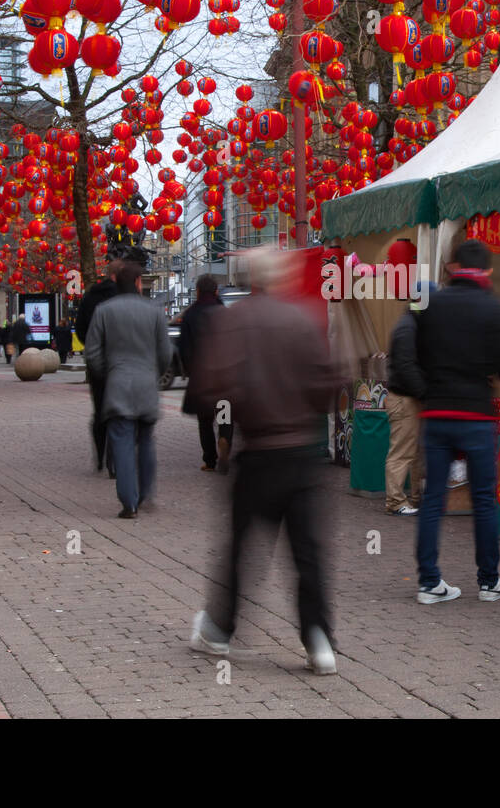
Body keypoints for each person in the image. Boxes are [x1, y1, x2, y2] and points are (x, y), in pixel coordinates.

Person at [189, 249, 340, 675]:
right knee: (307, 550)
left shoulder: (233, 321)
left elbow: (214, 388)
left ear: (249, 279)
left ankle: (219, 629)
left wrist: (226, 430)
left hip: (259, 453)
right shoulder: (305, 317)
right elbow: (326, 385)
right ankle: (318, 638)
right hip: (303, 454)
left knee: (241, 547)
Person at [408, 239, 500, 605]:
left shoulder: (431, 305)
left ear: (454, 268)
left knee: (433, 499)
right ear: (487, 270)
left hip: (437, 413)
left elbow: (419, 355)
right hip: (475, 414)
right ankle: (489, 582)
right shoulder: (493, 308)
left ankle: (429, 582)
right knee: (484, 499)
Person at [84, 260, 170, 519]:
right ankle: (145, 493)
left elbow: (92, 352)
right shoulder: (154, 312)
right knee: (145, 440)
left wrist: (107, 373)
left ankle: (128, 502)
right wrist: (152, 373)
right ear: (137, 284)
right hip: (146, 384)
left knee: (121, 442)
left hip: (118, 383)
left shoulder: (103, 311)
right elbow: (165, 352)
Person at [384, 289, 431, 515]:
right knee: (402, 453)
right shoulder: (408, 328)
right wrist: (424, 392)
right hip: (405, 399)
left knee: (411, 452)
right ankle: (395, 502)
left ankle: (412, 498)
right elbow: (406, 367)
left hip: (408, 398)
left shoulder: (411, 324)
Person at [178, 275, 232, 474]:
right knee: (225, 415)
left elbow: (184, 348)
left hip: (202, 378)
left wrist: (191, 370)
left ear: (198, 292)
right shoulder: (225, 313)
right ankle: (225, 440)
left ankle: (210, 460)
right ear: (216, 291)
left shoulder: (191, 314)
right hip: (225, 377)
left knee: (205, 421)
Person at [76, 257, 123, 475]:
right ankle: (114, 461)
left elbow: (80, 330)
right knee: (117, 411)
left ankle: (99, 454)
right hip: (119, 361)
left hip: (96, 362)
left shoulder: (90, 297)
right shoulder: (122, 296)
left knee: (99, 410)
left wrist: (92, 347)